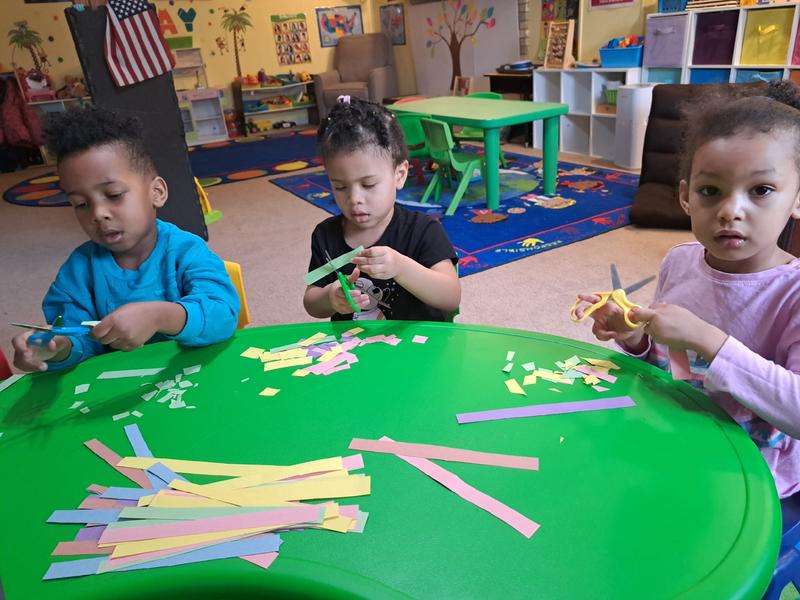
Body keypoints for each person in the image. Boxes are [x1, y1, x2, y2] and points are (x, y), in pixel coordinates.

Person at [574, 80, 800, 497]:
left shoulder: (793, 292)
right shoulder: (679, 260)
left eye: (761, 190)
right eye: (710, 191)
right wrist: (636, 336)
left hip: (752, 475)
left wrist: (708, 339)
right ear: (685, 197)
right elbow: (675, 364)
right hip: (673, 435)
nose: (731, 210)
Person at [12, 106, 239, 372]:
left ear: (156, 192)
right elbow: (76, 340)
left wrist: (161, 316)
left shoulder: (187, 251)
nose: (98, 214)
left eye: (114, 194)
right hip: (120, 390)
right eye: (81, 203)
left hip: (196, 376)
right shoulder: (78, 271)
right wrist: (58, 349)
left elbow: (222, 315)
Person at [303, 97, 460, 321]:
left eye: (368, 185)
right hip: (355, 351)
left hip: (418, 350)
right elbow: (311, 301)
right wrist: (330, 298)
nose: (355, 199)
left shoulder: (423, 230)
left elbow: (451, 296)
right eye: (340, 186)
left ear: (400, 175)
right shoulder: (326, 235)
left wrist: (401, 267)